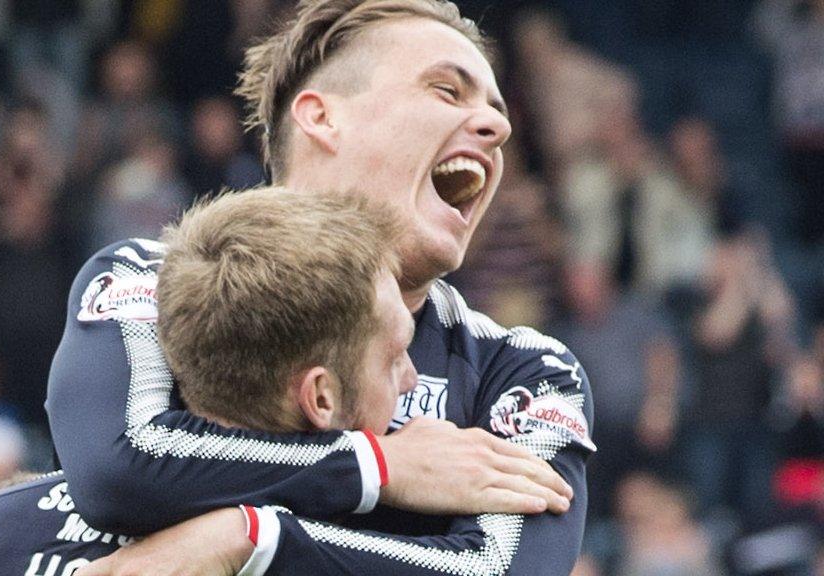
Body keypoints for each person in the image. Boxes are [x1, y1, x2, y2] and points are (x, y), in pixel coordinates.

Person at [47, 1, 595, 574]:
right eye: (446, 91)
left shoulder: (527, 373)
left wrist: (249, 537)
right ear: (322, 118)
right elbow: (118, 467)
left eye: (496, 108)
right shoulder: (151, 280)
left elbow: (500, 570)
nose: (499, 126)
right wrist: (381, 469)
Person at [0, 187, 416, 574]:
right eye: (394, 358)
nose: (413, 379)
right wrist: (377, 467)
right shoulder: (364, 553)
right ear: (320, 397)